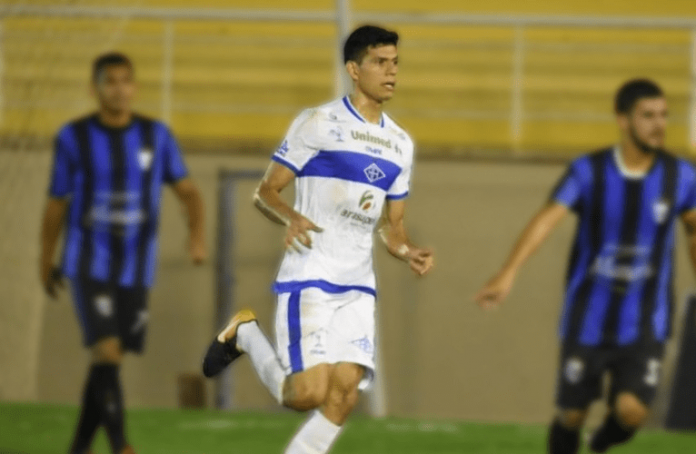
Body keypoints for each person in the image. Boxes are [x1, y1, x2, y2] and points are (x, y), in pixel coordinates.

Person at [202, 25, 434, 453]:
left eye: (395, 63)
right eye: (380, 62)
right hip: (311, 274)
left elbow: (391, 225)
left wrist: (406, 249)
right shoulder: (319, 122)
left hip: (358, 285)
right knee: (306, 395)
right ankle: (245, 334)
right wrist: (291, 218)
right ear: (354, 69)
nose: (391, 71)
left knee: (343, 397)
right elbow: (266, 192)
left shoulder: (400, 144)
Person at [475, 79, 696, 454]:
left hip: (647, 320)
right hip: (588, 317)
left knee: (632, 412)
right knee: (572, 415)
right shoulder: (589, 171)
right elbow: (548, 218)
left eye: (663, 115)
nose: (659, 124)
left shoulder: (682, 177)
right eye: (648, 116)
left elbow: (693, 227)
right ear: (623, 120)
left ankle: (600, 443)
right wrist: (508, 271)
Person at [40, 52, 206, 454]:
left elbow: (189, 192)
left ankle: (79, 446)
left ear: (134, 87)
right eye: (109, 81)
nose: (118, 89)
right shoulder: (74, 137)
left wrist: (196, 237)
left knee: (108, 360)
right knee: (108, 349)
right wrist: (45, 258)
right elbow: (57, 202)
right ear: (94, 88)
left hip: (136, 267)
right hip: (87, 260)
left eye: (124, 81)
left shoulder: (156, 136)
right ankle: (121, 446)